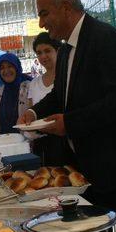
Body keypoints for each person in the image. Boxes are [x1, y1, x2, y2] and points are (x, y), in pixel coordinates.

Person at [18, 0, 116, 232]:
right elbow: (61, 95)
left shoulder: (105, 38)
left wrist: (70, 123)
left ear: (66, 8)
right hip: (89, 169)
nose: (42, 23)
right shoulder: (68, 48)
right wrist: (34, 113)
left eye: (44, 13)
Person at [27, 32, 67, 166]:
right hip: (42, 146)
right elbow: (32, 114)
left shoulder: (67, 78)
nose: (43, 56)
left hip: (65, 142)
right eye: (39, 53)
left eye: (47, 51)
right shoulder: (33, 84)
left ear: (58, 51)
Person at [0, 53, 31, 135]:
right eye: (2, 68)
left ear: (17, 67)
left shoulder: (29, 87)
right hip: (5, 143)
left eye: (10, 66)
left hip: (26, 143)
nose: (6, 71)